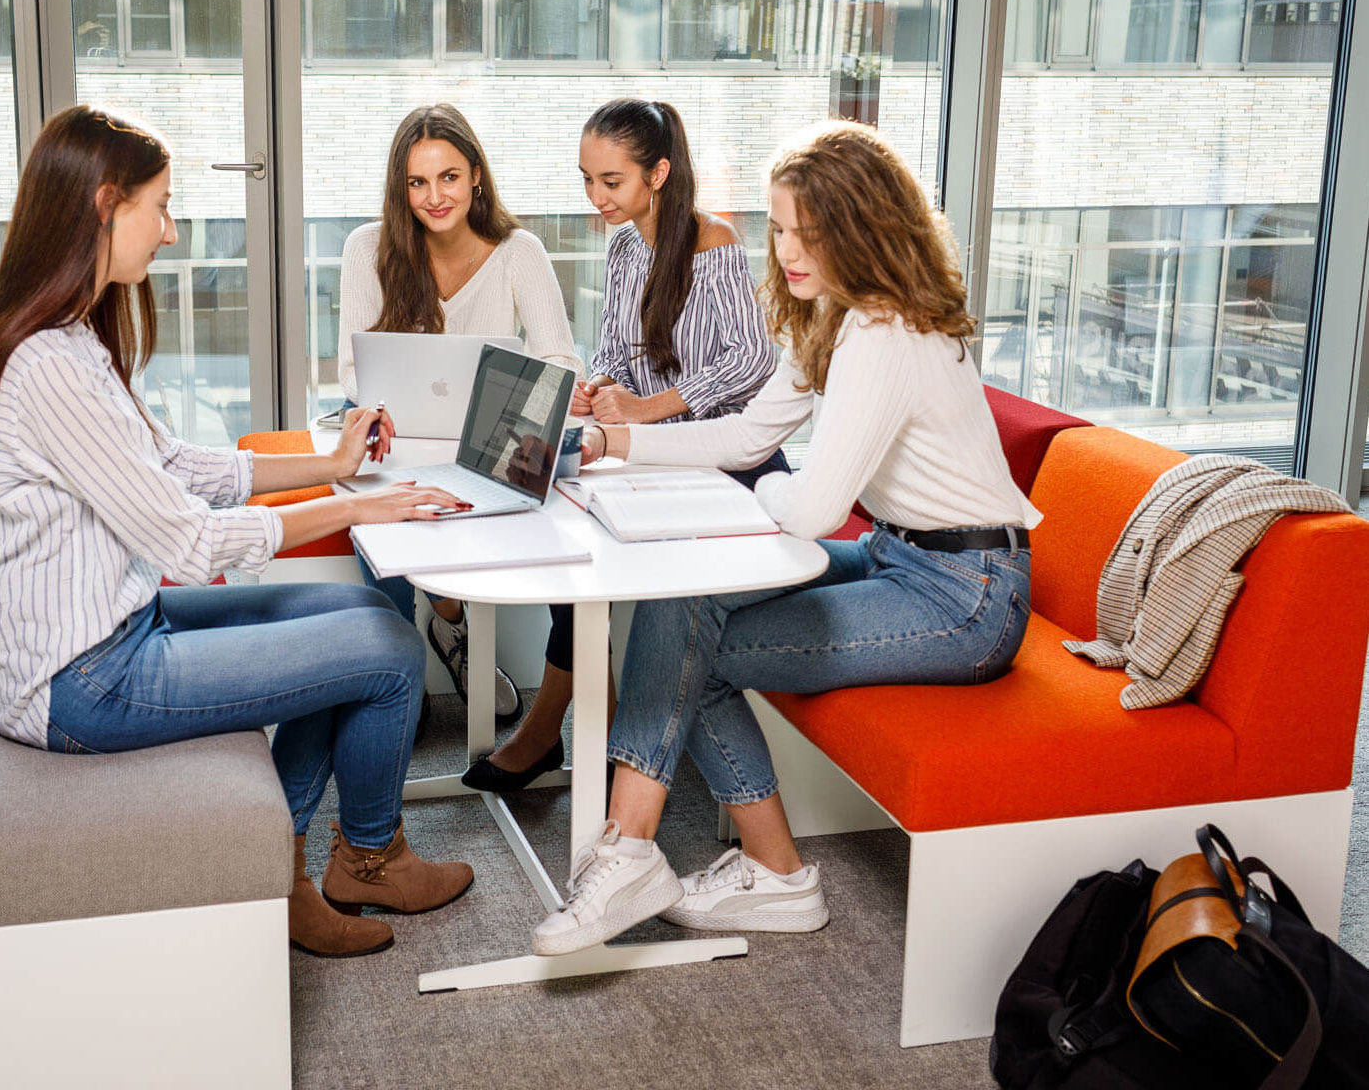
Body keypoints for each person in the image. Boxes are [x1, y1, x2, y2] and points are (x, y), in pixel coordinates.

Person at [0, 105, 473, 962]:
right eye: (159, 208)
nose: (167, 233)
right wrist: (353, 506)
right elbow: (190, 546)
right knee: (386, 657)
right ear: (102, 206)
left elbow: (181, 468)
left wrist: (332, 464)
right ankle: (362, 860)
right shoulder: (48, 366)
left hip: (115, 628)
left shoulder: (74, 339)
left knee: (370, 627)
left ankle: (298, 871)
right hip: (79, 678)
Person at [529, 120, 1040, 956]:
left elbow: (805, 507)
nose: (790, 250)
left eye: (812, 232)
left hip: (968, 596)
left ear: (864, 229)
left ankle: (733, 870)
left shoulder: (887, 335)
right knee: (685, 593)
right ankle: (654, 856)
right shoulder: (836, 316)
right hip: (898, 557)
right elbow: (741, 434)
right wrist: (618, 442)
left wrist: (767, 480)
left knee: (705, 650)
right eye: (779, 226)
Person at [460, 98, 777, 793]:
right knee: (556, 521)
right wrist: (598, 386)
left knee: (585, 542)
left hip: (727, 463)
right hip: (654, 454)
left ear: (658, 173)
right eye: (587, 180)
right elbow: (617, 355)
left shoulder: (713, 241)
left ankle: (558, 733)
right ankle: (564, 730)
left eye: (612, 181)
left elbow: (751, 362)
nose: (596, 197)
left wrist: (644, 408)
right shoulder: (626, 246)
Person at [338, 103, 583, 721]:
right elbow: (351, 368)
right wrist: (382, 410)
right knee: (375, 502)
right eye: (417, 182)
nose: (434, 196)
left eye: (449, 176)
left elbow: (560, 360)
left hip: (491, 438)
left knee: (564, 477)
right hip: (402, 432)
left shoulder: (518, 250)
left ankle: (449, 619)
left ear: (476, 174)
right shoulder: (367, 248)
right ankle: (397, 676)